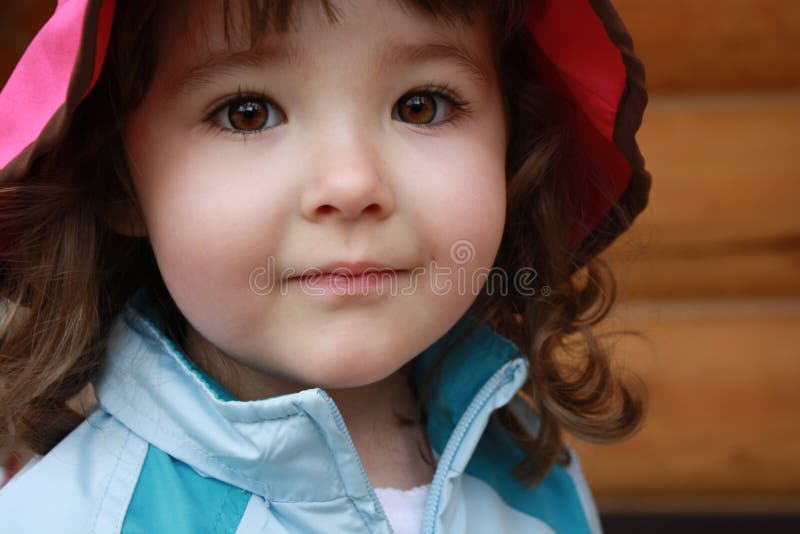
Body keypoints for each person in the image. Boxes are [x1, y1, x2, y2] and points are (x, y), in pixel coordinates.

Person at [0, 0, 651, 532]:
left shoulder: (533, 469)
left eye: (420, 104)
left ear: (513, 147)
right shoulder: (70, 520)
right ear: (118, 179)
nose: (351, 182)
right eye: (247, 112)